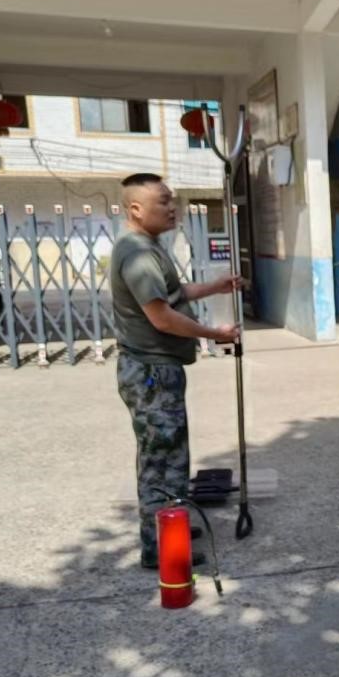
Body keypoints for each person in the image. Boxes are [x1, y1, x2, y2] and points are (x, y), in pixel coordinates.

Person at [109, 173, 241, 570]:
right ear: (136, 209)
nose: (172, 207)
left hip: (160, 369)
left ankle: (173, 525)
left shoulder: (150, 246)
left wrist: (215, 287)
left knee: (171, 456)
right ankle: (159, 548)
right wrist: (213, 333)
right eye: (163, 201)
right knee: (160, 461)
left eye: (173, 200)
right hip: (150, 372)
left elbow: (174, 292)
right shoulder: (137, 254)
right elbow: (162, 317)